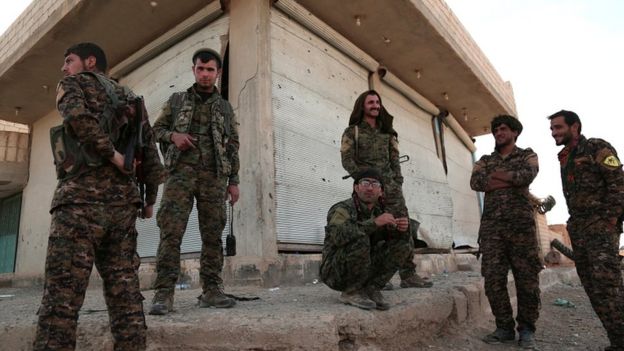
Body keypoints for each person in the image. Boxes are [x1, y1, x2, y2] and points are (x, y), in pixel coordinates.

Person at [33, 42, 164, 350]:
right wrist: (149, 201)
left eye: (69, 60)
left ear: (90, 61)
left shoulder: (72, 84)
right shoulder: (131, 98)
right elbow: (150, 152)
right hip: (122, 209)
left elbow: (78, 121)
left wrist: (113, 156)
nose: (64, 68)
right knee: (126, 294)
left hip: (79, 205)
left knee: (62, 297)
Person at [150, 48, 240, 315]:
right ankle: (164, 294)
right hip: (179, 176)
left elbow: (233, 145)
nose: (204, 74)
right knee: (170, 234)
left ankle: (212, 291)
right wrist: (173, 136)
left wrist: (233, 181)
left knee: (213, 237)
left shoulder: (224, 107)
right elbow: (155, 130)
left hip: (214, 177)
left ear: (218, 73)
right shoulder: (177, 100)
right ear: (193, 70)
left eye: (210, 70)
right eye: (200, 69)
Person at [340, 90, 432, 289]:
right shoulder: (352, 131)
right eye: (370, 102)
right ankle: (377, 276)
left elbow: (395, 160)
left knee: (402, 227)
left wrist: (397, 181)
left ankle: (408, 275)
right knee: (372, 228)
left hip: (390, 188)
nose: (375, 105)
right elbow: (346, 160)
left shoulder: (388, 132)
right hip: (367, 188)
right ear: (362, 106)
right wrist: (363, 180)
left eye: (377, 102)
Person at [548, 110, 624, 351]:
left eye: (558, 127)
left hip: (601, 228)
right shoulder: (564, 157)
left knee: (608, 286)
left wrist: (610, 221)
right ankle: (618, 341)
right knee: (593, 289)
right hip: (579, 229)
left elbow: (618, 183)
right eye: (552, 129)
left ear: (575, 127)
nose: (554, 133)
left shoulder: (596, 147)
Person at [470, 115, 542, 349]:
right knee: (493, 279)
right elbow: (476, 182)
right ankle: (504, 328)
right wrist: (511, 179)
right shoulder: (485, 159)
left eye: (503, 129)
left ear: (514, 132)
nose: (498, 133)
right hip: (492, 229)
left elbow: (527, 175)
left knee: (527, 281)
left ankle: (527, 330)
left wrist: (496, 177)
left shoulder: (527, 155)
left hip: (521, 227)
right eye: (495, 130)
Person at [320, 168, 412, 310]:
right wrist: (374, 223)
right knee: (360, 238)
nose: (370, 188)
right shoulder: (342, 208)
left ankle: (371, 288)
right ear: (356, 188)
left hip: (364, 267)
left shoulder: (379, 211)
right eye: (365, 183)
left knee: (403, 244)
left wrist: (400, 230)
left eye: (375, 184)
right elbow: (338, 237)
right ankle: (351, 292)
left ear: (381, 191)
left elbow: (386, 243)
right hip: (335, 270)